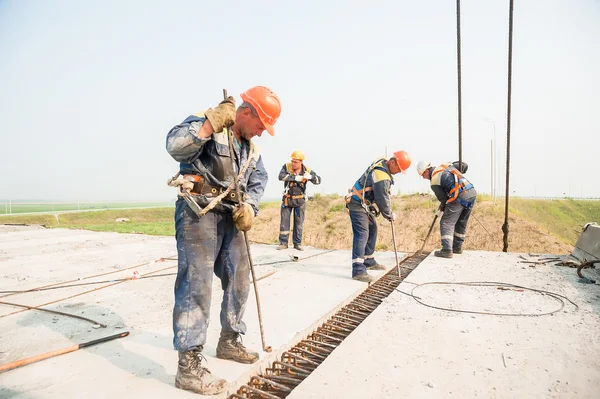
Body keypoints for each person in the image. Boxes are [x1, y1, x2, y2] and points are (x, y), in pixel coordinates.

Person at [165, 86, 281, 395]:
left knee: (239, 277)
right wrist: (209, 124)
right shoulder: (209, 123)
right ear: (246, 113)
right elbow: (175, 147)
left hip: (230, 216)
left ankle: (229, 340)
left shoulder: (251, 149)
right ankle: (188, 367)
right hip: (198, 212)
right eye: (261, 125)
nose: (261, 133)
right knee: (197, 284)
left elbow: (259, 179)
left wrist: (250, 208)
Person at [345, 151, 411, 282]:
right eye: (398, 168)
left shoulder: (382, 164)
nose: (398, 172)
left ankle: (368, 259)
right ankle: (358, 269)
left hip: (363, 204)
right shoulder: (381, 175)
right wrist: (389, 215)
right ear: (392, 162)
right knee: (362, 233)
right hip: (357, 203)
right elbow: (382, 199)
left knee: (372, 228)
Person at [416, 160, 476, 258]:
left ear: (426, 171)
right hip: (471, 192)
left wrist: (442, 207)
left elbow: (443, 199)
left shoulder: (434, 181)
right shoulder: (445, 165)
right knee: (461, 221)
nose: (423, 177)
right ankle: (457, 247)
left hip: (459, 196)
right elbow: (463, 165)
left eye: (422, 175)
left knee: (446, 222)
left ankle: (447, 250)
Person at [277, 150, 322, 251]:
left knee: (299, 223)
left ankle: (297, 243)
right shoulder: (287, 167)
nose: (293, 163)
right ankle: (283, 243)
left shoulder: (307, 170)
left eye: (296, 162)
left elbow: (318, 180)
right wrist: (296, 178)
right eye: (292, 161)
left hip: (300, 201)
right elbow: (281, 176)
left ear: (301, 162)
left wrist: (310, 177)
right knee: (284, 222)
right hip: (287, 199)